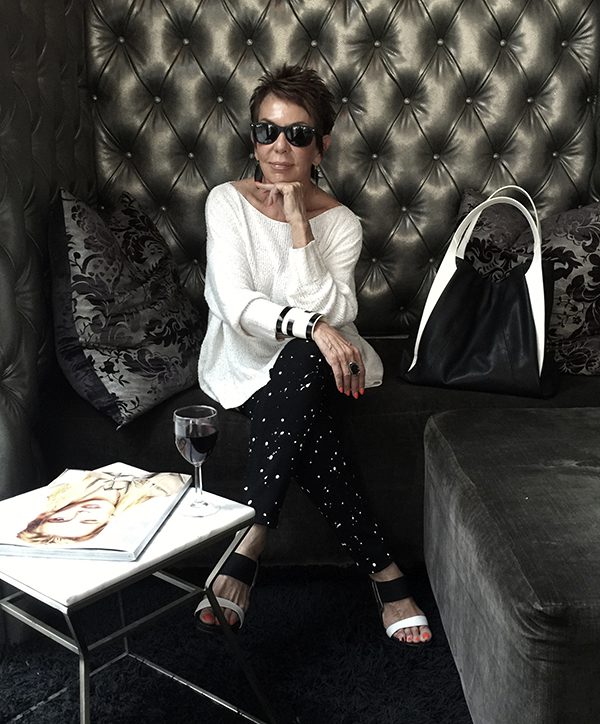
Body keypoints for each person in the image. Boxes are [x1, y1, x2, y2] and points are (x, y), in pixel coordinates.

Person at [196, 65, 431, 646]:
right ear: (252, 136)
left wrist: (301, 222)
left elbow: (336, 304)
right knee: (306, 369)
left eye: (297, 134)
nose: (279, 147)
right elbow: (234, 303)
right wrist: (313, 326)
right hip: (245, 359)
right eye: (267, 131)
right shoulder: (226, 202)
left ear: (321, 145)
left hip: (320, 364)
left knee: (303, 360)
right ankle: (384, 570)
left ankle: (249, 536)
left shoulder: (341, 222)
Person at [17, 470, 184, 544]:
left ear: (48, 513)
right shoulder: (157, 493)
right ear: (105, 523)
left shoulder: (74, 483)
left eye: (60, 519)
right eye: (88, 521)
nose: (81, 513)